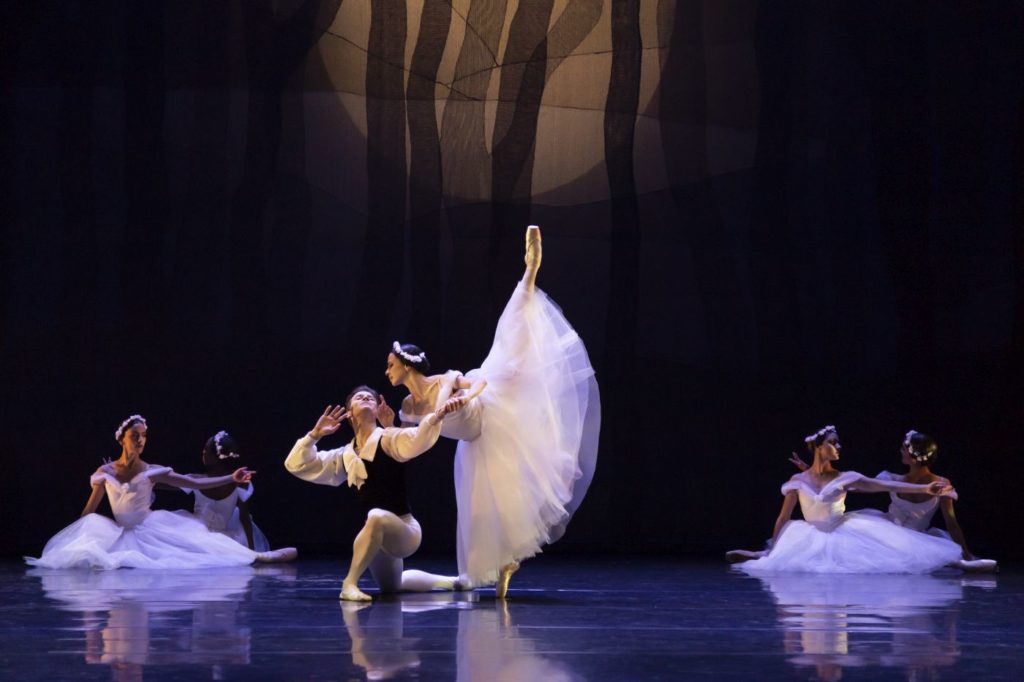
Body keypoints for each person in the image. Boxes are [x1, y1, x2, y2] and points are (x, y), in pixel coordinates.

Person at [384, 225, 600, 597]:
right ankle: (503, 567)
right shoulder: (407, 405)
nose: (387, 371)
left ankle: (529, 273)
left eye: (391, 364)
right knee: (485, 513)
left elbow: (479, 383)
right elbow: (413, 440)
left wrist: (462, 398)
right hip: (473, 442)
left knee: (513, 340)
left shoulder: (443, 381)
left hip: (490, 412)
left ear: (408, 366)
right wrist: (392, 429)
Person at [26, 415, 295, 569]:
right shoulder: (105, 471)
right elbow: (89, 512)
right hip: (119, 531)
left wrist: (231, 477)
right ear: (122, 438)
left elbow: (195, 484)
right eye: (135, 435)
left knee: (201, 550)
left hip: (148, 528)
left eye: (144, 435)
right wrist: (73, 538)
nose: (140, 440)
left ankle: (257, 556)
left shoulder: (153, 470)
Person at [284, 387, 465, 601]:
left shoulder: (388, 439)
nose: (366, 398)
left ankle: (349, 583)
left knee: (376, 515)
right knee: (393, 587)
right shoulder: (345, 455)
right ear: (349, 412)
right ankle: (454, 582)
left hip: (405, 531)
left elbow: (416, 438)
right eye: (359, 398)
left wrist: (438, 415)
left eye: (370, 397)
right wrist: (314, 435)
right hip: (376, 537)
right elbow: (296, 465)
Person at [731, 425, 963, 573]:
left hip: (851, 532)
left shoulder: (846, 477)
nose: (839, 446)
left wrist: (926, 491)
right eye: (833, 442)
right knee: (789, 560)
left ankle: (960, 561)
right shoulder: (798, 480)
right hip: (810, 533)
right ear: (819, 448)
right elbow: (783, 518)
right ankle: (761, 553)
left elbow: (882, 485)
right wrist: (773, 550)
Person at [788, 429, 997, 572]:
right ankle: (960, 563)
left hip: (917, 537)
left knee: (925, 555)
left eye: (904, 448)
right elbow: (854, 485)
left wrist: (967, 553)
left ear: (915, 454)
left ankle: (963, 562)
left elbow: (951, 522)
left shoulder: (941, 484)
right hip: (887, 530)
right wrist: (811, 473)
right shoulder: (892, 477)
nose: (901, 451)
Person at [180, 430, 294, 559]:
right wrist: (251, 549)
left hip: (199, 535)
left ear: (216, 457)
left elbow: (244, 517)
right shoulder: (239, 483)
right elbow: (244, 517)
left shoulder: (197, 480)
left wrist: (251, 549)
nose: (203, 453)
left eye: (206, 450)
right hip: (220, 538)